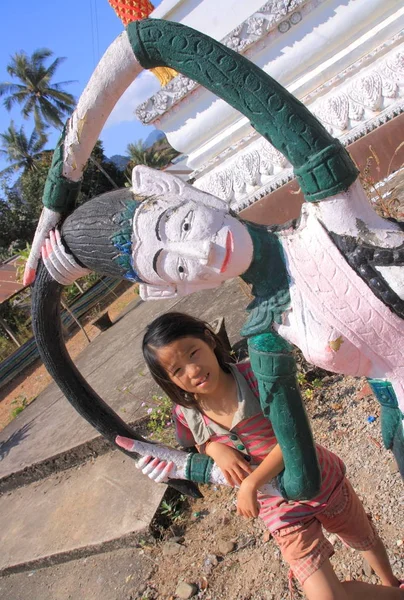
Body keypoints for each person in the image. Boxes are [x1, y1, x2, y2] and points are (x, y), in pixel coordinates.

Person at [117, 312, 403, 600]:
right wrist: (215, 449)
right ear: (169, 381)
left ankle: (391, 584)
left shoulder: (256, 376)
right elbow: (200, 443)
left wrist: (251, 483)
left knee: (363, 538)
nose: (192, 371)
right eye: (177, 371)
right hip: (278, 509)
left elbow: (293, 438)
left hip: (319, 481)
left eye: (194, 353)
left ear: (208, 340)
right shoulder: (187, 412)